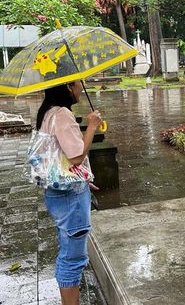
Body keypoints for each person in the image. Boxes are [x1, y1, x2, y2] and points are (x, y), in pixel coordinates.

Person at [36, 80, 101, 304]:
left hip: (60, 191)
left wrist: (82, 180)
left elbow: (58, 158)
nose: (80, 88)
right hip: (70, 196)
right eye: (76, 84)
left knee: (68, 250)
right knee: (73, 258)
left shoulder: (47, 112)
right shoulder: (62, 114)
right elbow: (75, 156)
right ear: (67, 88)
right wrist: (92, 125)